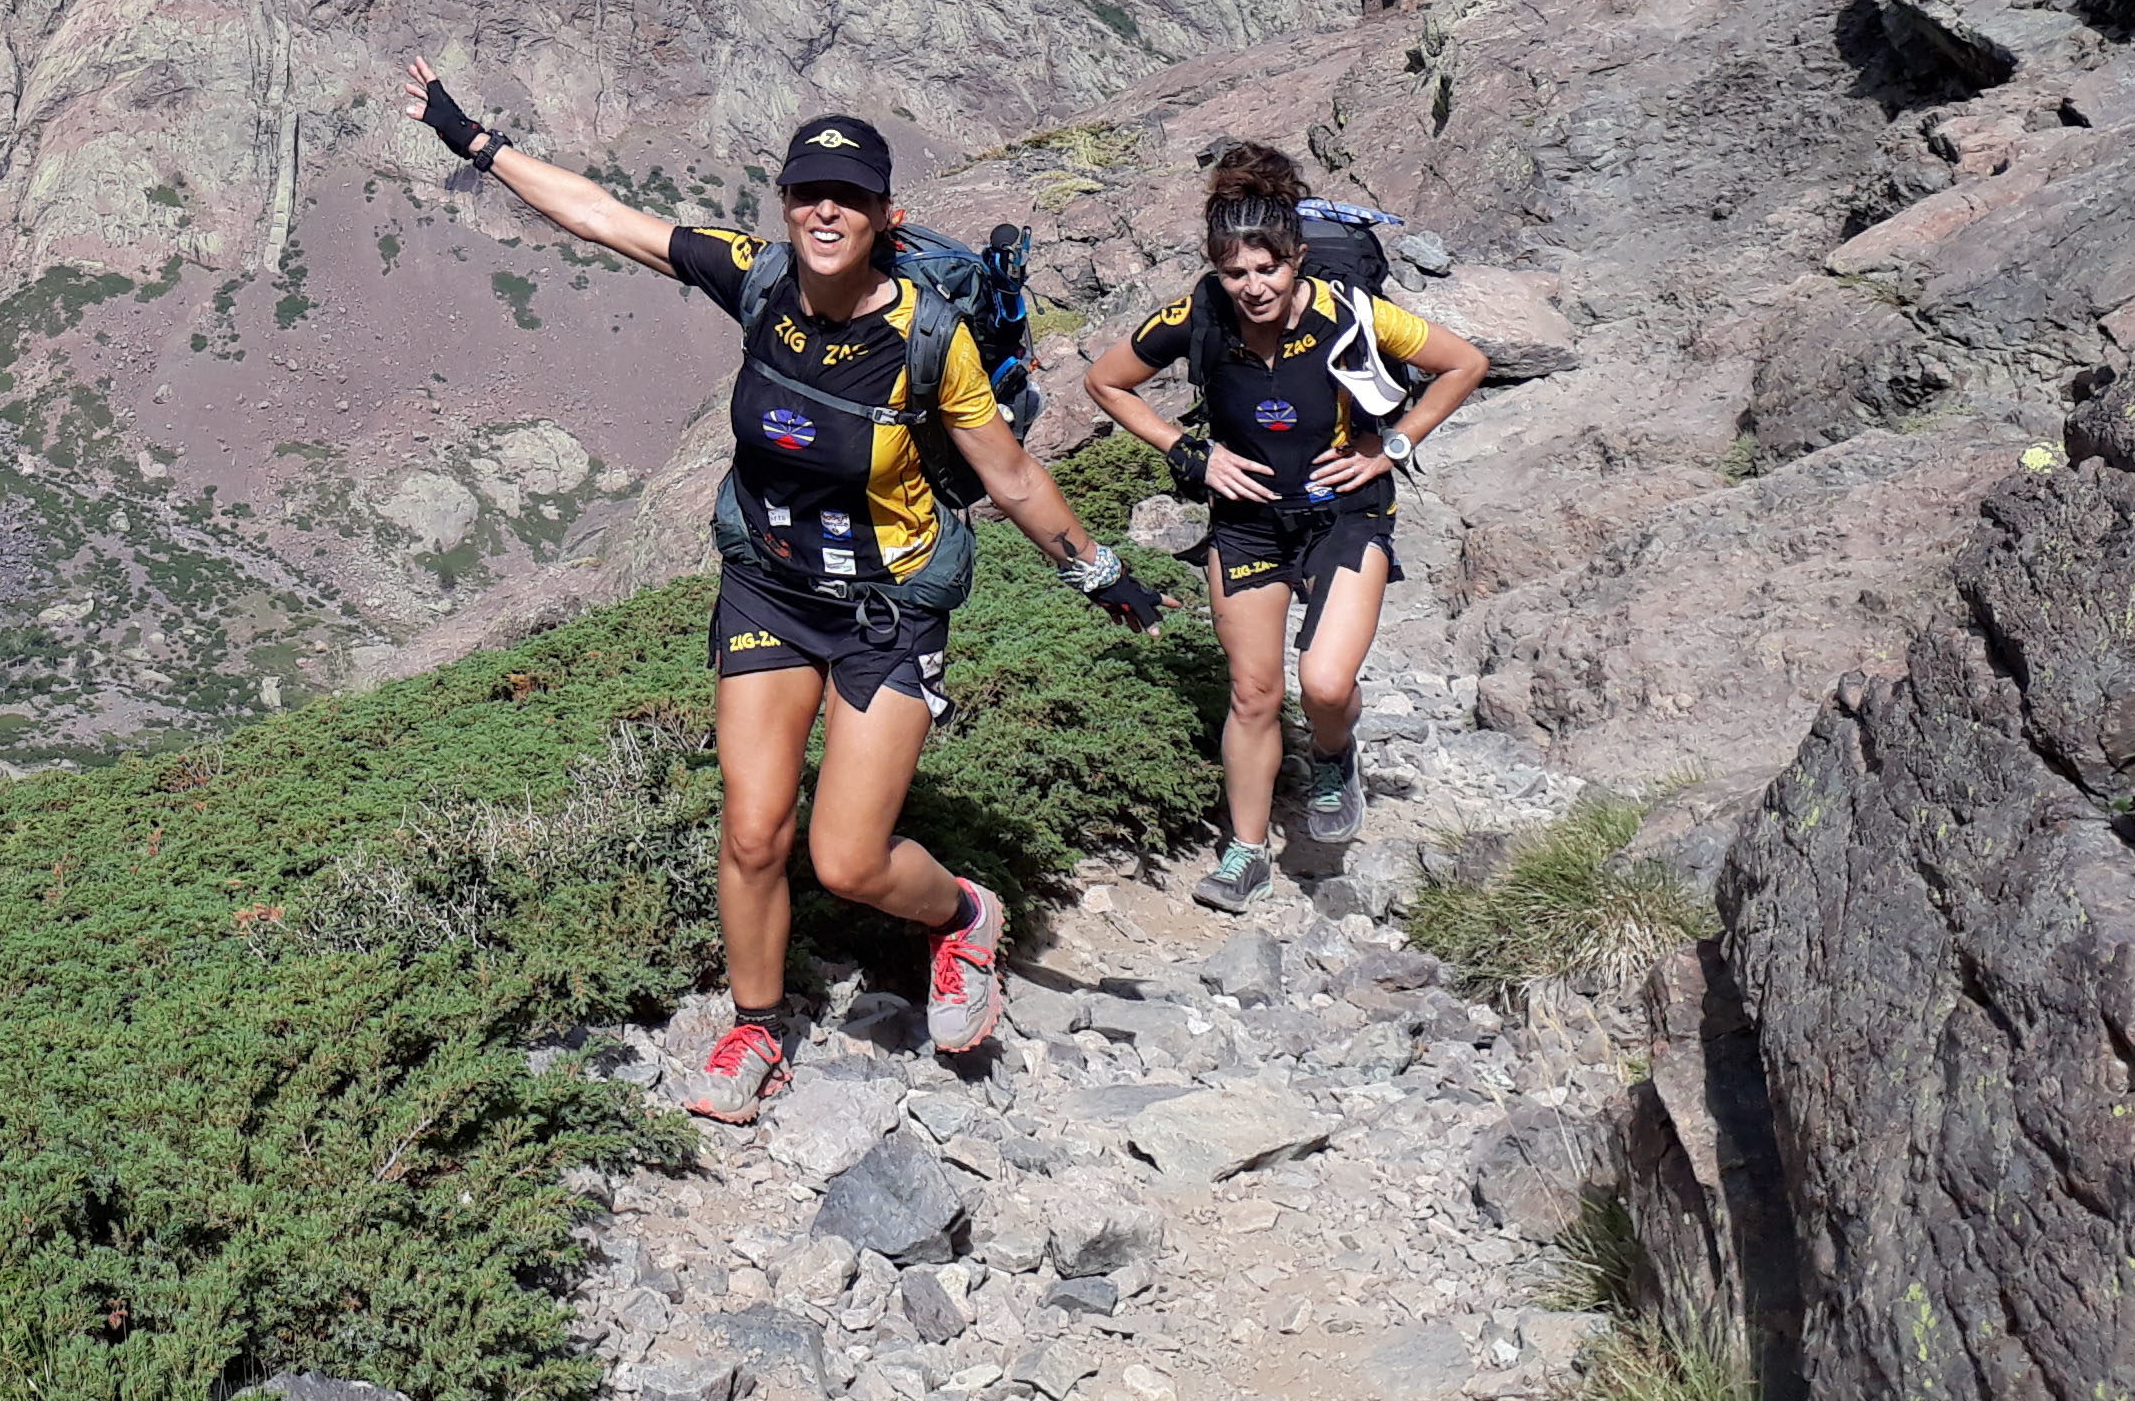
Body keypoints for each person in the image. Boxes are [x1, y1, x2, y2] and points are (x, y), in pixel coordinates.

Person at [400, 59, 1169, 1122]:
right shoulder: (755, 277)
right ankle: (757, 1028)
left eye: (847, 198)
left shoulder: (926, 340)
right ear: (786, 202)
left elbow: (1013, 474)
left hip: (886, 610)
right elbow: (604, 218)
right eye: (809, 191)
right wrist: (475, 143)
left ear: (884, 216)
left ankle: (963, 915)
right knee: (754, 833)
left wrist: (1098, 570)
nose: (824, 210)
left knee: (847, 859)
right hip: (767, 588)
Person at [1085, 140, 1487, 914]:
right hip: (1244, 527)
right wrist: (1192, 454)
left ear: (1297, 258)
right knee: (1254, 693)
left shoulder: (1351, 312)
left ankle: (1334, 753)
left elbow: (1463, 362)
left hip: (1344, 513)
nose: (1253, 287)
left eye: (1267, 269)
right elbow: (1106, 381)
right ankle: (1245, 849)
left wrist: (1393, 444)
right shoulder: (1198, 316)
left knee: (1325, 684)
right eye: (1235, 273)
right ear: (1217, 270)